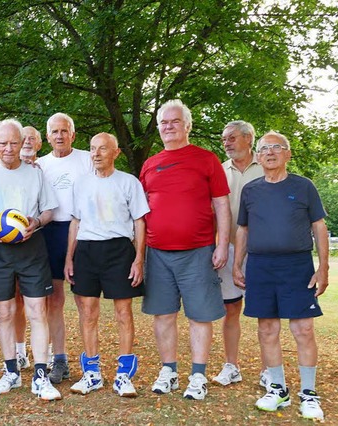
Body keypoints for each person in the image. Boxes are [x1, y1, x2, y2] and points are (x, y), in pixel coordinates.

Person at [233, 131, 329, 421]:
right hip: (261, 267)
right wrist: (238, 264)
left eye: (277, 147)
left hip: (297, 266)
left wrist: (323, 267)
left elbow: (319, 227)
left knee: (303, 330)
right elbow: (243, 230)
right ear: (258, 156)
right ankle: (278, 389)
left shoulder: (304, 187)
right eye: (264, 149)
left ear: (288, 154)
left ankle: (309, 394)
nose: (270, 152)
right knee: (267, 329)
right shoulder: (250, 190)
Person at [139, 99, 231, 401]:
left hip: (198, 251)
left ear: (187, 126)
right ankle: (169, 371)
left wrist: (221, 245)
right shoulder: (150, 163)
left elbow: (221, 204)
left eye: (174, 121)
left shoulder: (207, 160)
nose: (168, 126)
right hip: (158, 252)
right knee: (163, 315)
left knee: (199, 316)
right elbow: (139, 211)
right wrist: (139, 253)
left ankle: (198, 375)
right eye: (163, 122)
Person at [0, 119, 62, 401]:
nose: (9, 148)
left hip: (31, 246)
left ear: (22, 142)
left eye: (14, 142)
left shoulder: (36, 174)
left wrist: (35, 222)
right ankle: (10, 372)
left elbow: (49, 210)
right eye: (3, 143)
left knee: (37, 311)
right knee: (4, 313)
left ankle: (40, 375)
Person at [64, 133, 149, 397]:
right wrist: (69, 256)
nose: (96, 153)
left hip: (119, 251)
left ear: (116, 152)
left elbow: (139, 222)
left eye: (102, 149)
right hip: (87, 250)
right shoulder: (80, 183)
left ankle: (124, 375)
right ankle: (92, 373)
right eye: (92, 149)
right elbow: (75, 221)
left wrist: (138, 258)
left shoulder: (128, 183)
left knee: (123, 312)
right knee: (88, 313)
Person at [36, 113, 92, 383]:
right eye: (54, 131)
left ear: (73, 134)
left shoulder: (86, 159)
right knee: (54, 300)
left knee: (85, 300)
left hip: (83, 232)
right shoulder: (39, 165)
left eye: (64, 131)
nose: (59, 136)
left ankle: (90, 360)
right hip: (49, 233)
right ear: (47, 137)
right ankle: (59, 359)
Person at [211, 121, 266, 387]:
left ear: (248, 138)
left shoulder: (267, 166)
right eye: (223, 139)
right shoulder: (219, 171)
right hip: (229, 248)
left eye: (231, 137)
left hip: (262, 250)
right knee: (231, 308)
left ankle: (270, 370)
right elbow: (211, 213)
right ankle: (231, 366)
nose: (226, 142)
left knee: (266, 311)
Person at [12, 125, 44, 370]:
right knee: (15, 302)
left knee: (42, 302)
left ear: (39, 143)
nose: (26, 141)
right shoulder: (3, 169)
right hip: (8, 244)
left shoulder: (41, 170)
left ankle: (48, 354)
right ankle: (19, 352)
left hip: (37, 240)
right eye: (23, 138)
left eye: (32, 138)